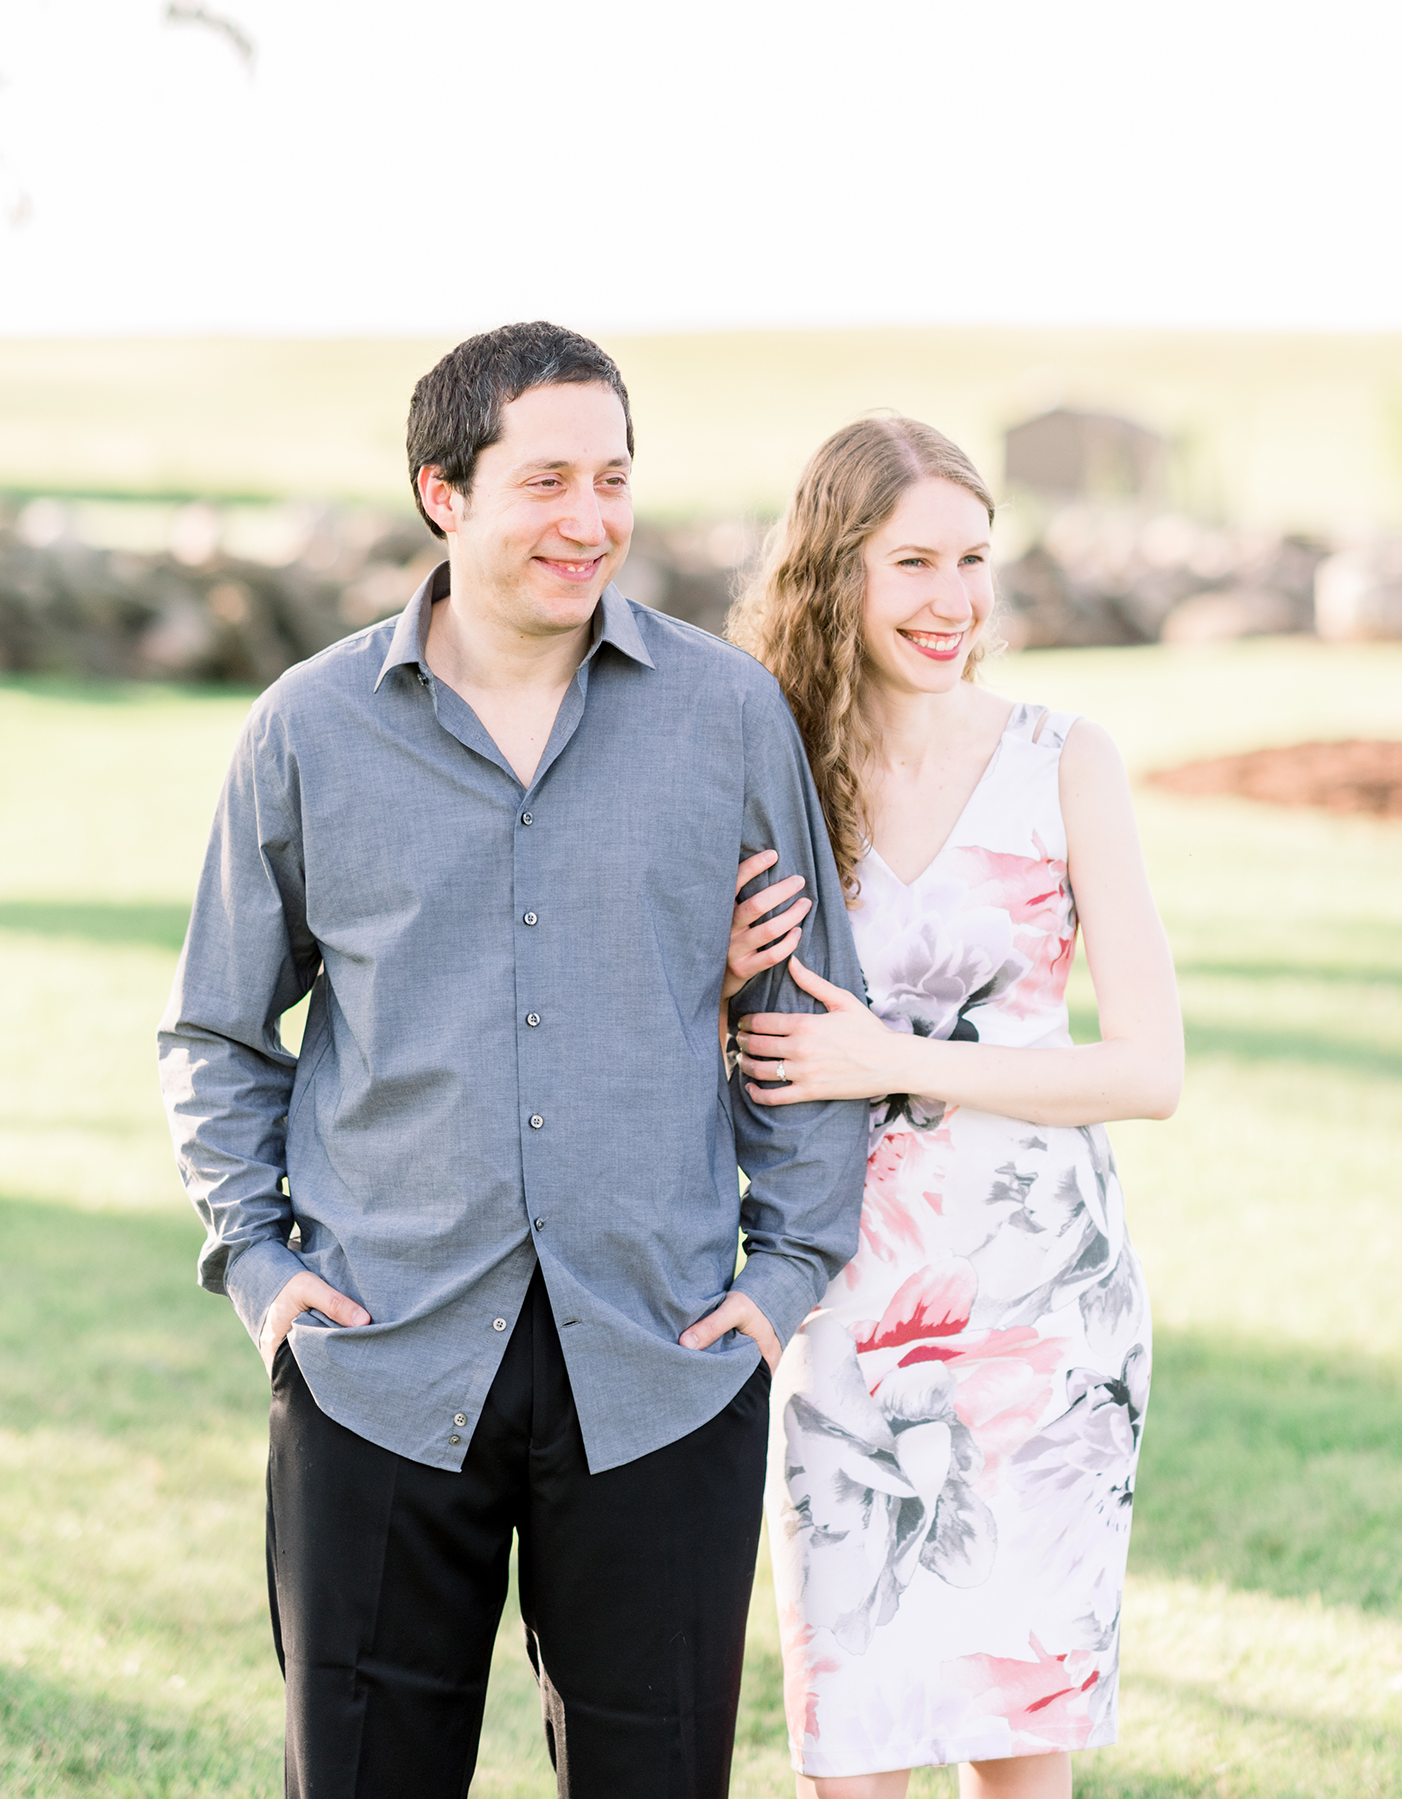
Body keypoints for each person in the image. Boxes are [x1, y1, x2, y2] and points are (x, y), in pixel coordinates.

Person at [158, 323, 871, 1799]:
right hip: (377, 1345)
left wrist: (779, 1277)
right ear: (443, 490)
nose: (590, 519)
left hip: (666, 1351)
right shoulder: (308, 730)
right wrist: (254, 1263)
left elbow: (805, 1010)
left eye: (612, 478)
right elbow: (221, 1030)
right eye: (545, 479)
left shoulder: (722, 715)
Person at [720, 417, 1184, 1799]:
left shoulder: (1062, 759)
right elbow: (723, 1056)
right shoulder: (770, 766)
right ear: (831, 572)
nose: (952, 601)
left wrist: (901, 1065)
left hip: (1044, 1314)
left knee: (1012, 1753)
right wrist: (723, 977)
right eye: (911, 561)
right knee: (850, 1755)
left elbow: (1144, 1069)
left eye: (973, 561)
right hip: (845, 1301)